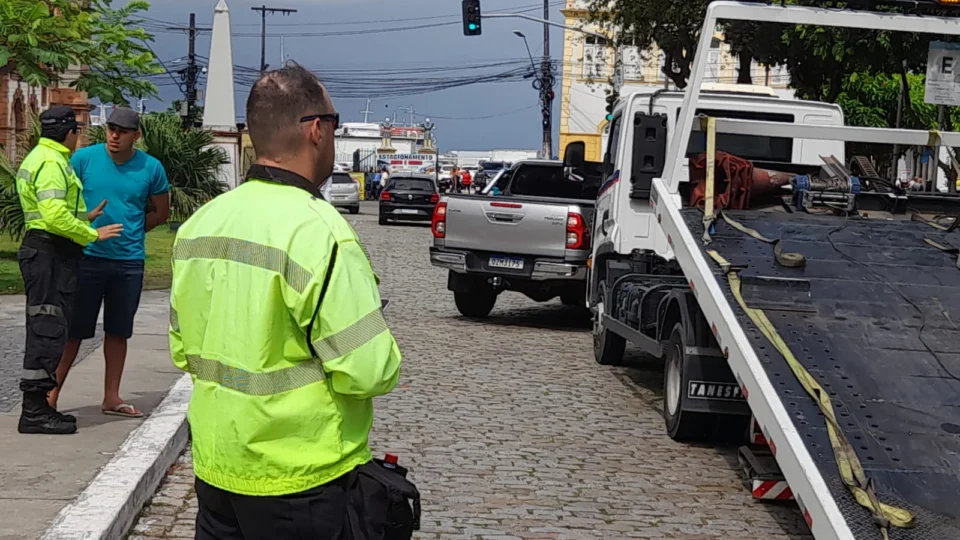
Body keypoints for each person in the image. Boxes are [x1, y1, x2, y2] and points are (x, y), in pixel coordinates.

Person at [169, 63, 403, 539]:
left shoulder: (201, 224)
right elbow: (370, 370)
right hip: (303, 477)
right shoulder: (322, 233)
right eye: (334, 124)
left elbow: (182, 348)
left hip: (218, 471)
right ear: (316, 130)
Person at [47, 107, 171, 420]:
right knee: (74, 330)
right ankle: (51, 395)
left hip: (128, 262)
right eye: (111, 128)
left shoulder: (151, 168)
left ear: (136, 136)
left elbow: (161, 211)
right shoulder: (83, 160)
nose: (115, 135)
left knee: (119, 331)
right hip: (87, 257)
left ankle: (111, 396)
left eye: (123, 131)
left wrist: (134, 228)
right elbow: (62, 203)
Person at [15, 106, 123, 435]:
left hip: (49, 251)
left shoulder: (42, 156)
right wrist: (91, 233)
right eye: (78, 131)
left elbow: (52, 212)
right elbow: (51, 216)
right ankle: (35, 410)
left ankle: (39, 407)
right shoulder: (51, 162)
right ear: (70, 134)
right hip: (49, 254)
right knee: (47, 329)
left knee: (50, 327)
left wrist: (84, 217)